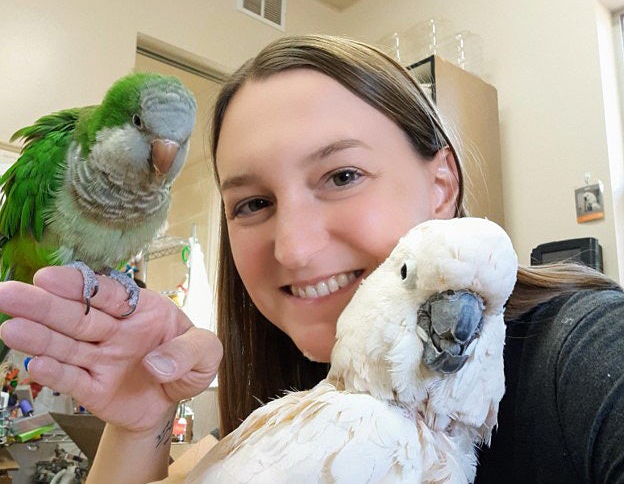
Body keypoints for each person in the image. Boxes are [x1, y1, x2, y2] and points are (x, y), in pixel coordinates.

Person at [0, 34, 622, 484]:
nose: (294, 249)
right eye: (252, 203)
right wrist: (142, 424)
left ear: (441, 186)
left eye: (342, 174)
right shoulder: (281, 402)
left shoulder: (583, 354)